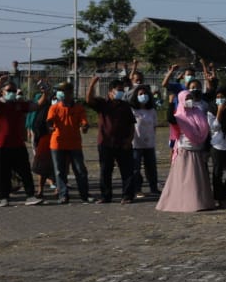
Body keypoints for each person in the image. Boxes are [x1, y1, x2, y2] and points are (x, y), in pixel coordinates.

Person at [0, 74, 44, 207]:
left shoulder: (19, 104)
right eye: (8, 90)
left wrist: (45, 92)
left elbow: (37, 106)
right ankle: (4, 197)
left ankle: (30, 196)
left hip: (17, 144)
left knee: (25, 171)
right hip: (0, 145)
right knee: (2, 173)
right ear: (2, 92)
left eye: (13, 90)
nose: (11, 93)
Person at [156, 89, 215, 212]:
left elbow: (205, 130)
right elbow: (170, 119)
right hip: (185, 150)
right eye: (186, 98)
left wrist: (207, 148)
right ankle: (184, 202)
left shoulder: (198, 113)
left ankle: (200, 202)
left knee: (198, 180)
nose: (189, 100)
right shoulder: (179, 115)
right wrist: (171, 103)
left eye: (191, 98)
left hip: (198, 150)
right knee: (184, 179)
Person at [86, 76, 138, 204]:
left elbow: (132, 125)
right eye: (117, 90)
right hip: (105, 143)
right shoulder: (102, 104)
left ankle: (127, 196)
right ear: (110, 92)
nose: (120, 92)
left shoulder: (125, 106)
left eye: (122, 90)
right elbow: (89, 100)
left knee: (127, 171)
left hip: (123, 143)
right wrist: (92, 84)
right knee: (105, 171)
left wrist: (129, 140)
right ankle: (106, 196)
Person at [46, 82, 91, 204]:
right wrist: (50, 127)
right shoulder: (54, 108)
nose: (60, 93)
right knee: (59, 171)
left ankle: (84, 195)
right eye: (59, 90)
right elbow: (49, 122)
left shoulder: (78, 108)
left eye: (62, 90)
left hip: (74, 144)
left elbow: (84, 123)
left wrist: (85, 126)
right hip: (57, 143)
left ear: (70, 93)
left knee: (80, 170)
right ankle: (63, 195)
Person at [130, 84, 161, 197]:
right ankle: (137, 189)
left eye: (145, 94)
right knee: (135, 168)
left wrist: (152, 138)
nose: (143, 96)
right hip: (136, 143)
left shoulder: (152, 110)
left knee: (151, 167)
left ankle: (154, 188)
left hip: (149, 143)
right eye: (140, 94)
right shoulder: (133, 110)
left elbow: (154, 126)